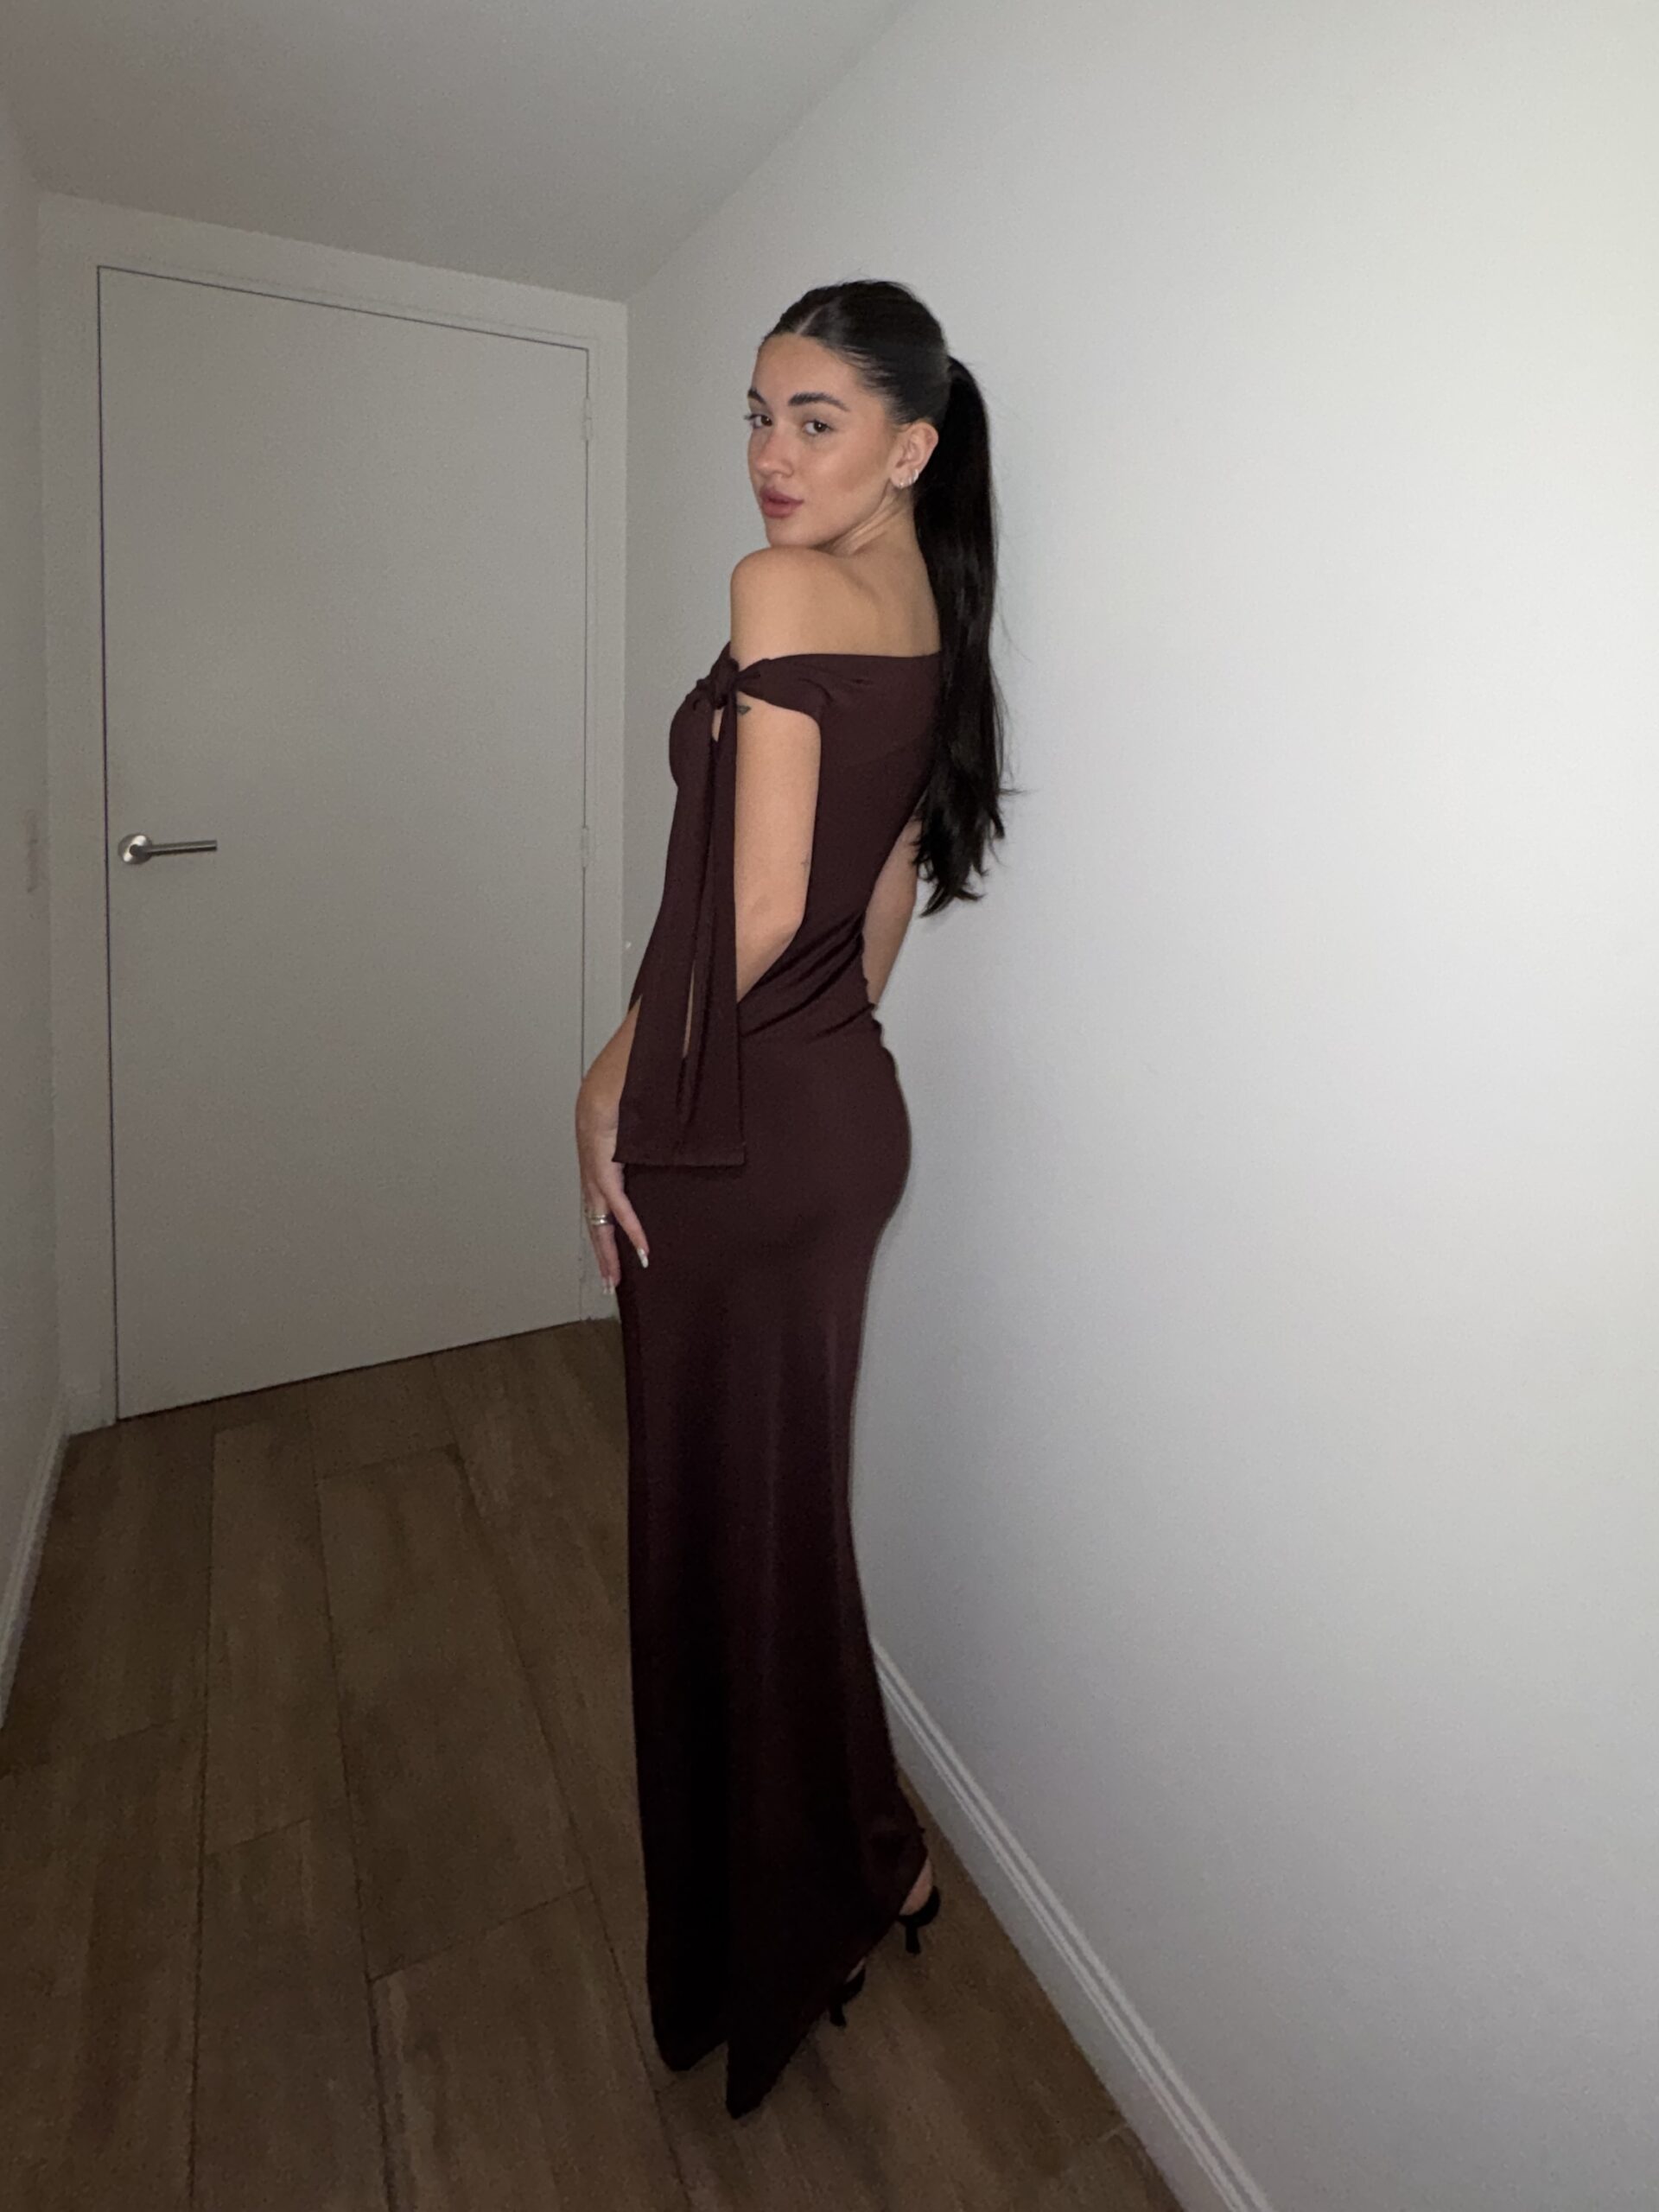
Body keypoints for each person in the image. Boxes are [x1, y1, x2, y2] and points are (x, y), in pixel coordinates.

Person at [573, 276, 1007, 2120]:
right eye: (756, 416)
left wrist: (611, 1078)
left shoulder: (781, 591)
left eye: (813, 419)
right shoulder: (931, 620)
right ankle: (867, 1856)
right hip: (828, 1114)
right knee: (777, 1522)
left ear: (909, 446)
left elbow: (752, 914)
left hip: (736, 1123)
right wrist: (826, 1062)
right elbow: (877, 896)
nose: (769, 455)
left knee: (719, 1528)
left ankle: (805, 1900)